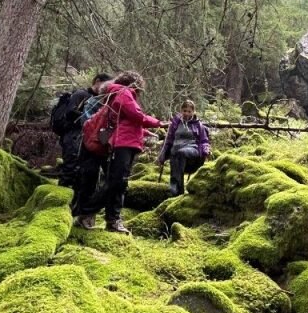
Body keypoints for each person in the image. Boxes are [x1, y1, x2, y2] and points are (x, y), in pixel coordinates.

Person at [74, 71, 165, 233]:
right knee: (115, 182)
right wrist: (158, 123)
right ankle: (87, 212)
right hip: (123, 144)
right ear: (134, 83)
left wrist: (144, 132)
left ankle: (112, 219)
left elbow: (124, 122)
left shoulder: (120, 94)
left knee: (119, 183)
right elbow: (136, 116)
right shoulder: (124, 93)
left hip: (127, 142)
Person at [58, 73, 112, 187]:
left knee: (83, 171)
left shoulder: (101, 100)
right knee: (70, 167)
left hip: (86, 137)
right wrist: (90, 117)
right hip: (73, 134)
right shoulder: (81, 94)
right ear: (97, 81)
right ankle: (63, 195)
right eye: (105, 84)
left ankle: (78, 200)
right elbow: (70, 112)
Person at [157, 99, 211, 196]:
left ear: (193, 112)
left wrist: (206, 152)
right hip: (177, 153)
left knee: (180, 153)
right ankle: (177, 191)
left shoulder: (198, 125)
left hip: (192, 150)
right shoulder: (175, 123)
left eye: (189, 111)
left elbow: (204, 141)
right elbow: (168, 140)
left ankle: (175, 188)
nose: (186, 113)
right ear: (181, 111)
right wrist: (162, 156)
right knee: (175, 154)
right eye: (184, 111)